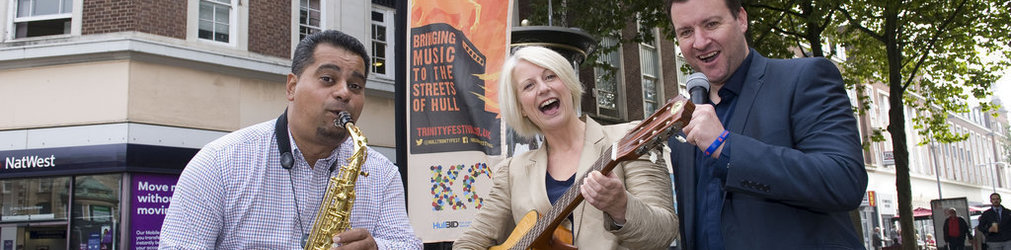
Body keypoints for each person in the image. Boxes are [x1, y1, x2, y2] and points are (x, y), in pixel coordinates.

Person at [159, 30, 422, 249]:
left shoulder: (382, 173)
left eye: (355, 86)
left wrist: (377, 247)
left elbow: (408, 244)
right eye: (328, 79)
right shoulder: (219, 162)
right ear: (292, 87)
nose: (344, 93)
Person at [664, 0, 867, 249]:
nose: (700, 41)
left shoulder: (806, 78)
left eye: (712, 24)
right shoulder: (687, 124)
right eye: (686, 32)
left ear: (741, 19)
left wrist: (724, 147)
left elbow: (844, 181)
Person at [452, 46, 678, 249]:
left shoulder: (628, 137)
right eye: (529, 85)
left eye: (550, 76)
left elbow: (663, 234)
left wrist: (621, 206)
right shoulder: (512, 171)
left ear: (568, 84)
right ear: (521, 107)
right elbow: (469, 243)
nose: (543, 88)